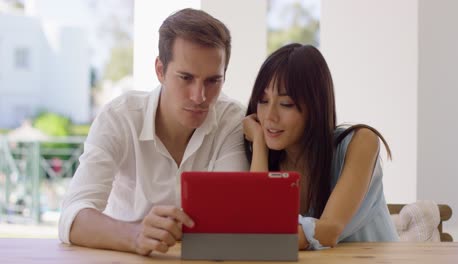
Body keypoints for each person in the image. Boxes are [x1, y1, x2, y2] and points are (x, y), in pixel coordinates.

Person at [59, 8, 249, 255]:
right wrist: (135, 235)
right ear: (160, 70)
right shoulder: (119, 117)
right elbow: (72, 217)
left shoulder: (232, 119)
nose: (199, 96)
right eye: (186, 77)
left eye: (213, 81)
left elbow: (232, 214)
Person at [243, 43, 399, 250]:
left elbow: (329, 231)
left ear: (315, 105)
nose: (269, 116)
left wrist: (261, 234)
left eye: (286, 104)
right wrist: (260, 143)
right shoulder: (266, 159)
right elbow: (257, 226)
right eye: (263, 101)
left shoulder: (361, 142)